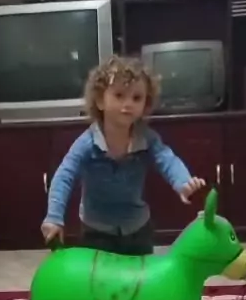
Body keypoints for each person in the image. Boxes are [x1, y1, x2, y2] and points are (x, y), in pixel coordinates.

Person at [41, 55, 206, 256]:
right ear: (100, 100)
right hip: (96, 231)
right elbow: (64, 176)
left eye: (136, 98)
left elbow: (167, 160)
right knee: (100, 275)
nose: (128, 103)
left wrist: (183, 182)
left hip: (138, 229)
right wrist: (54, 217)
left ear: (145, 105)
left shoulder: (147, 138)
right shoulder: (86, 143)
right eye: (119, 95)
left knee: (141, 274)